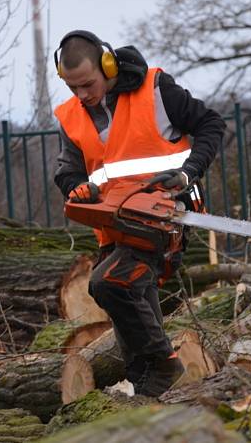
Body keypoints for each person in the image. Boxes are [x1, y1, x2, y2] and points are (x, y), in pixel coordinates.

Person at [52, 30, 225, 396]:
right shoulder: (71, 117)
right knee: (128, 307)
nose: (82, 95)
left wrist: (187, 173)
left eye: (87, 84)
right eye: (73, 88)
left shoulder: (155, 90)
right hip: (113, 224)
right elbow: (67, 169)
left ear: (108, 65)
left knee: (108, 282)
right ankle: (149, 388)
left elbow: (211, 124)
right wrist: (77, 189)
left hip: (163, 216)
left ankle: (165, 363)